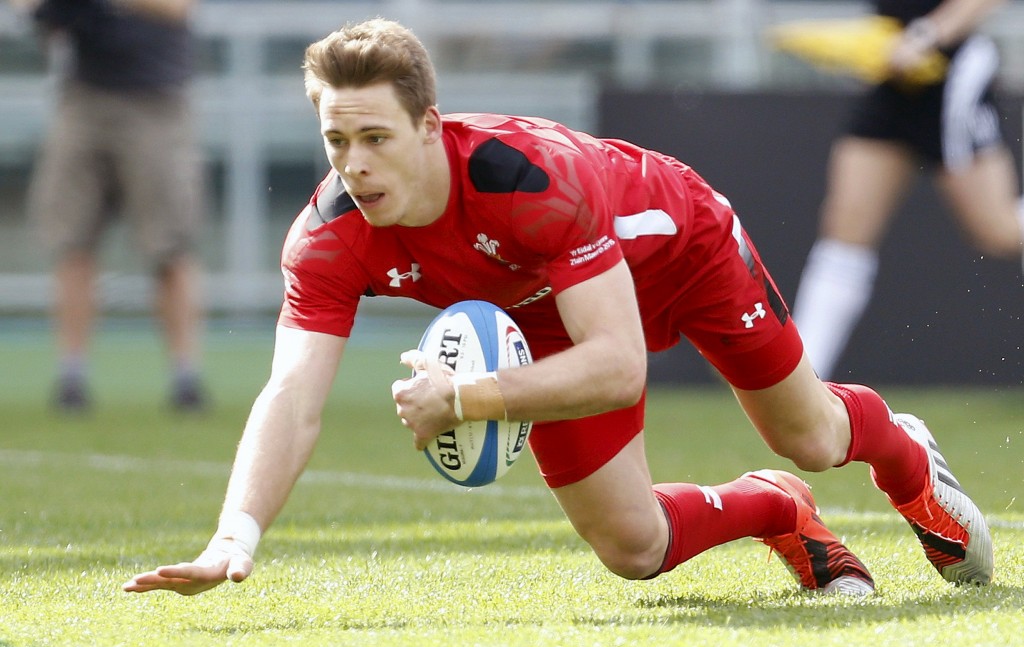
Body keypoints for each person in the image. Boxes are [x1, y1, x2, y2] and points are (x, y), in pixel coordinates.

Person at [123, 18, 993, 598]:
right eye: (336, 140)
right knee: (632, 550)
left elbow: (617, 364)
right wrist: (235, 536)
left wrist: (466, 398)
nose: (354, 163)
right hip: (549, 309)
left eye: (376, 137)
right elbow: (291, 396)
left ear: (432, 126)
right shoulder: (327, 235)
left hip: (679, 246)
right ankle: (776, 509)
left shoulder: (524, 178)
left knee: (811, 435)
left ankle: (903, 456)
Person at [791, 0, 1023, 381]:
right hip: (893, 74)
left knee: (997, 230)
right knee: (846, 229)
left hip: (950, 72)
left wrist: (926, 35)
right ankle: (801, 380)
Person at [24, 0, 208, 411]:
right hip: (83, 99)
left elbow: (178, 9)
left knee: (170, 247)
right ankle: (71, 376)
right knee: (72, 242)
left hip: (156, 103)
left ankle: (186, 378)